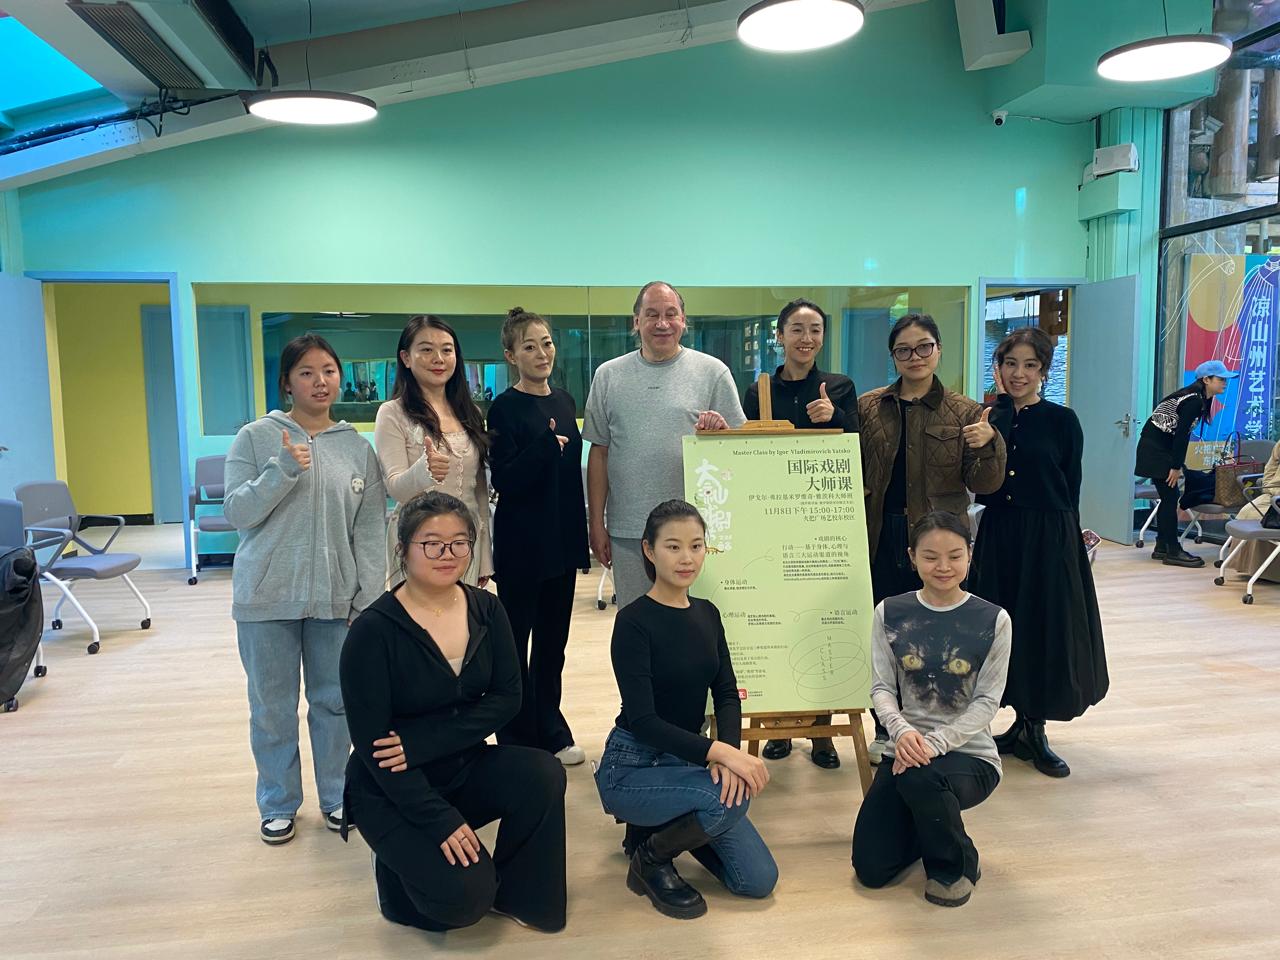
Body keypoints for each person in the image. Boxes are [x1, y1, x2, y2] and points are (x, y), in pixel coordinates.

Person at [339, 492, 567, 933]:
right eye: (432, 543)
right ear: (403, 548)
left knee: (543, 773)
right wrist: (439, 819)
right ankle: (395, 880)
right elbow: (376, 749)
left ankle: (519, 895)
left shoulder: (487, 608)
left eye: (459, 543)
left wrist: (422, 742)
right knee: (464, 899)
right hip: (390, 787)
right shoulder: (372, 632)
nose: (448, 554)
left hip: (460, 765)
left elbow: (508, 698)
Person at [223, 334, 386, 845]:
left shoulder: (357, 448)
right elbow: (237, 512)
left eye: (329, 371)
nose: (320, 382)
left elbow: (369, 528)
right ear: (287, 383)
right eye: (307, 372)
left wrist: (368, 595)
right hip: (266, 597)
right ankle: (277, 803)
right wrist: (283, 470)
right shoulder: (255, 438)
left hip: (336, 599)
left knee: (335, 703)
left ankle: (337, 796)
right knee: (271, 708)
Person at [595, 500, 777, 919]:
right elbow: (643, 721)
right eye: (673, 547)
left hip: (686, 761)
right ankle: (650, 859)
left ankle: (662, 829)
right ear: (649, 550)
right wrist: (718, 752)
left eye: (696, 546)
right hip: (633, 766)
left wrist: (728, 754)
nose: (687, 558)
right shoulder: (633, 621)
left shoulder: (707, 613)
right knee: (728, 803)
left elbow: (726, 692)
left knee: (757, 880)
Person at [857, 314, 1006, 762]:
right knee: (888, 630)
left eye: (924, 346)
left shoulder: (965, 412)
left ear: (938, 349)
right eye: (903, 350)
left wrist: (989, 442)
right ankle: (886, 728)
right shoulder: (869, 407)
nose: (915, 357)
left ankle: (941, 728)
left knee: (937, 631)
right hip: (881, 534)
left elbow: (986, 482)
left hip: (937, 540)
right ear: (893, 356)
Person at [852, 511, 1010, 908]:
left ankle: (955, 866)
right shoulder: (890, 612)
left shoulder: (993, 619)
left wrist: (934, 744)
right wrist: (902, 731)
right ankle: (930, 824)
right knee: (871, 869)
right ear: (912, 557)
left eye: (954, 556)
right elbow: (882, 688)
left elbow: (987, 702)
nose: (943, 567)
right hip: (904, 751)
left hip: (969, 756)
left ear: (969, 555)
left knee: (921, 779)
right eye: (930, 556)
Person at [969, 328, 1107, 778]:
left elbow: (1071, 485)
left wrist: (1070, 546)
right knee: (1002, 626)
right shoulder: (987, 417)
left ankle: (1035, 726)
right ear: (998, 367)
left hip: (1049, 535)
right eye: (1011, 364)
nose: (1019, 374)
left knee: (1043, 624)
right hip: (1000, 534)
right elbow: (974, 477)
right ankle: (1014, 721)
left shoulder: (1062, 420)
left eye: (1030, 365)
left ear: (1044, 371)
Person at [583, 281, 746, 611]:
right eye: (652, 314)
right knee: (636, 619)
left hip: (695, 531)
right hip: (630, 530)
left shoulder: (713, 373)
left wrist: (720, 432)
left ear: (683, 320)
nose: (662, 323)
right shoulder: (608, 376)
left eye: (671, 314)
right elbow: (599, 453)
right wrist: (596, 524)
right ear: (636, 321)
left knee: (695, 622)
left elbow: (736, 450)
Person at [746, 298, 858, 770]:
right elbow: (746, 450)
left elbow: (855, 447)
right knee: (777, 620)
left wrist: (834, 418)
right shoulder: (759, 390)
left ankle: (822, 732)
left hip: (821, 522)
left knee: (820, 623)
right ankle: (778, 726)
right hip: (771, 520)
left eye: (814, 329)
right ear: (780, 335)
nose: (806, 338)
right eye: (796, 328)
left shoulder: (840, 386)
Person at [487, 307, 589, 767]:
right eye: (529, 346)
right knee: (515, 646)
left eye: (546, 343)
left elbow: (568, 482)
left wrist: (580, 541)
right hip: (522, 548)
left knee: (552, 646)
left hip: (561, 545)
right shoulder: (504, 408)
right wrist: (545, 448)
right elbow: (505, 479)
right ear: (512, 356)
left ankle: (551, 727)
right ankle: (515, 736)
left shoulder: (564, 402)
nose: (541, 353)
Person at [375, 315, 493, 588]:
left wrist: (484, 554)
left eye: (447, 350)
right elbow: (396, 488)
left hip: (464, 540)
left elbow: (479, 491)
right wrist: (422, 472)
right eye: (426, 349)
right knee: (419, 614)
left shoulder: (471, 412)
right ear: (406, 357)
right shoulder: (392, 413)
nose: (438, 358)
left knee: (463, 613)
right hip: (418, 541)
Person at [1134, 360, 1236, 568]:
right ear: (1206, 380)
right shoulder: (1193, 401)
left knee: (1169, 497)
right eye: (1221, 379)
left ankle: (1163, 546)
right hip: (1156, 451)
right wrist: (1175, 466)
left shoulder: (1196, 398)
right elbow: (1181, 435)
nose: (1225, 383)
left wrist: (1176, 463)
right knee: (1170, 497)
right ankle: (1173, 550)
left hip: (1157, 449)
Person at [1226, 438, 1280, 583]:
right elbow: (1271, 468)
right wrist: (1269, 488)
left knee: (1262, 517)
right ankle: (1252, 567)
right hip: (1273, 493)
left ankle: (1272, 572)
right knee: (1247, 512)